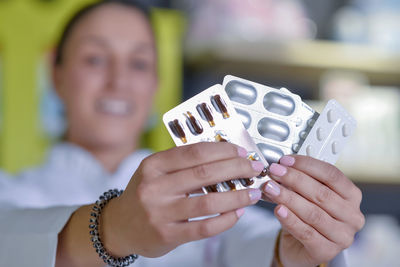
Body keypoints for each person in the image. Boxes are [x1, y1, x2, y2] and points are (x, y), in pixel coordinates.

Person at [0, 1, 365, 266]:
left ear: (156, 84)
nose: (119, 81)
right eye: (95, 59)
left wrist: (293, 252)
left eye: (139, 63)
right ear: (56, 73)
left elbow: (255, 244)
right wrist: (113, 228)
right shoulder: (10, 192)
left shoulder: (210, 195)